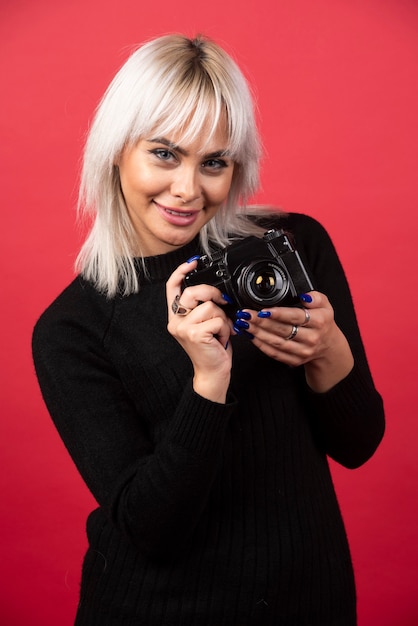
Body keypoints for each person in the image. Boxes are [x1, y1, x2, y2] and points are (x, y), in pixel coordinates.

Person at [32, 34, 385, 626]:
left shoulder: (288, 251)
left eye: (214, 162)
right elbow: (151, 529)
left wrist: (329, 351)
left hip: (310, 599)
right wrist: (208, 383)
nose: (188, 189)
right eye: (165, 154)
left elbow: (358, 444)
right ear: (116, 151)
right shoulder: (73, 329)